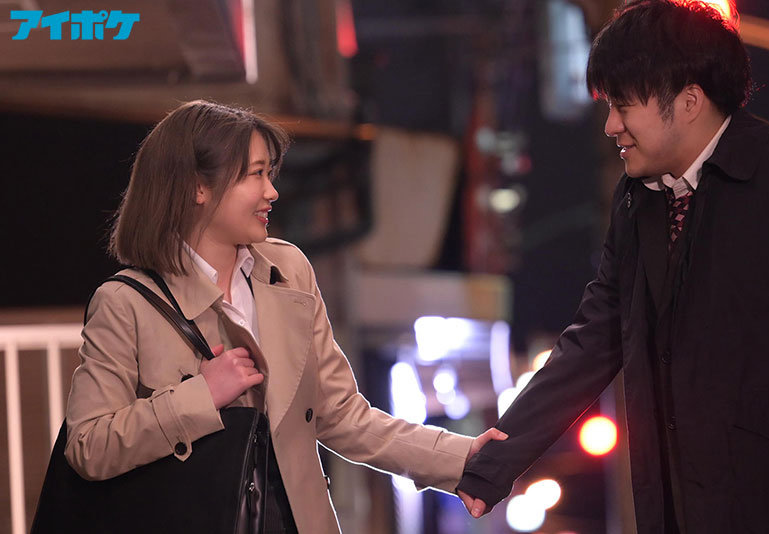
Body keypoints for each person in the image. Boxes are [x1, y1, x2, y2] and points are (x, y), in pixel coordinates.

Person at [64, 100, 506, 534]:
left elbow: (342, 415)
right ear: (199, 187)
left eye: (268, 173)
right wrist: (199, 396)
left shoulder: (288, 270)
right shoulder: (124, 303)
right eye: (255, 174)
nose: (271, 191)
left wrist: (459, 459)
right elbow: (88, 447)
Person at [456, 1, 769, 532]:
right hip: (673, 508)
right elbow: (593, 339)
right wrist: (493, 465)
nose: (611, 126)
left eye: (623, 106)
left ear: (689, 101)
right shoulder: (638, 197)